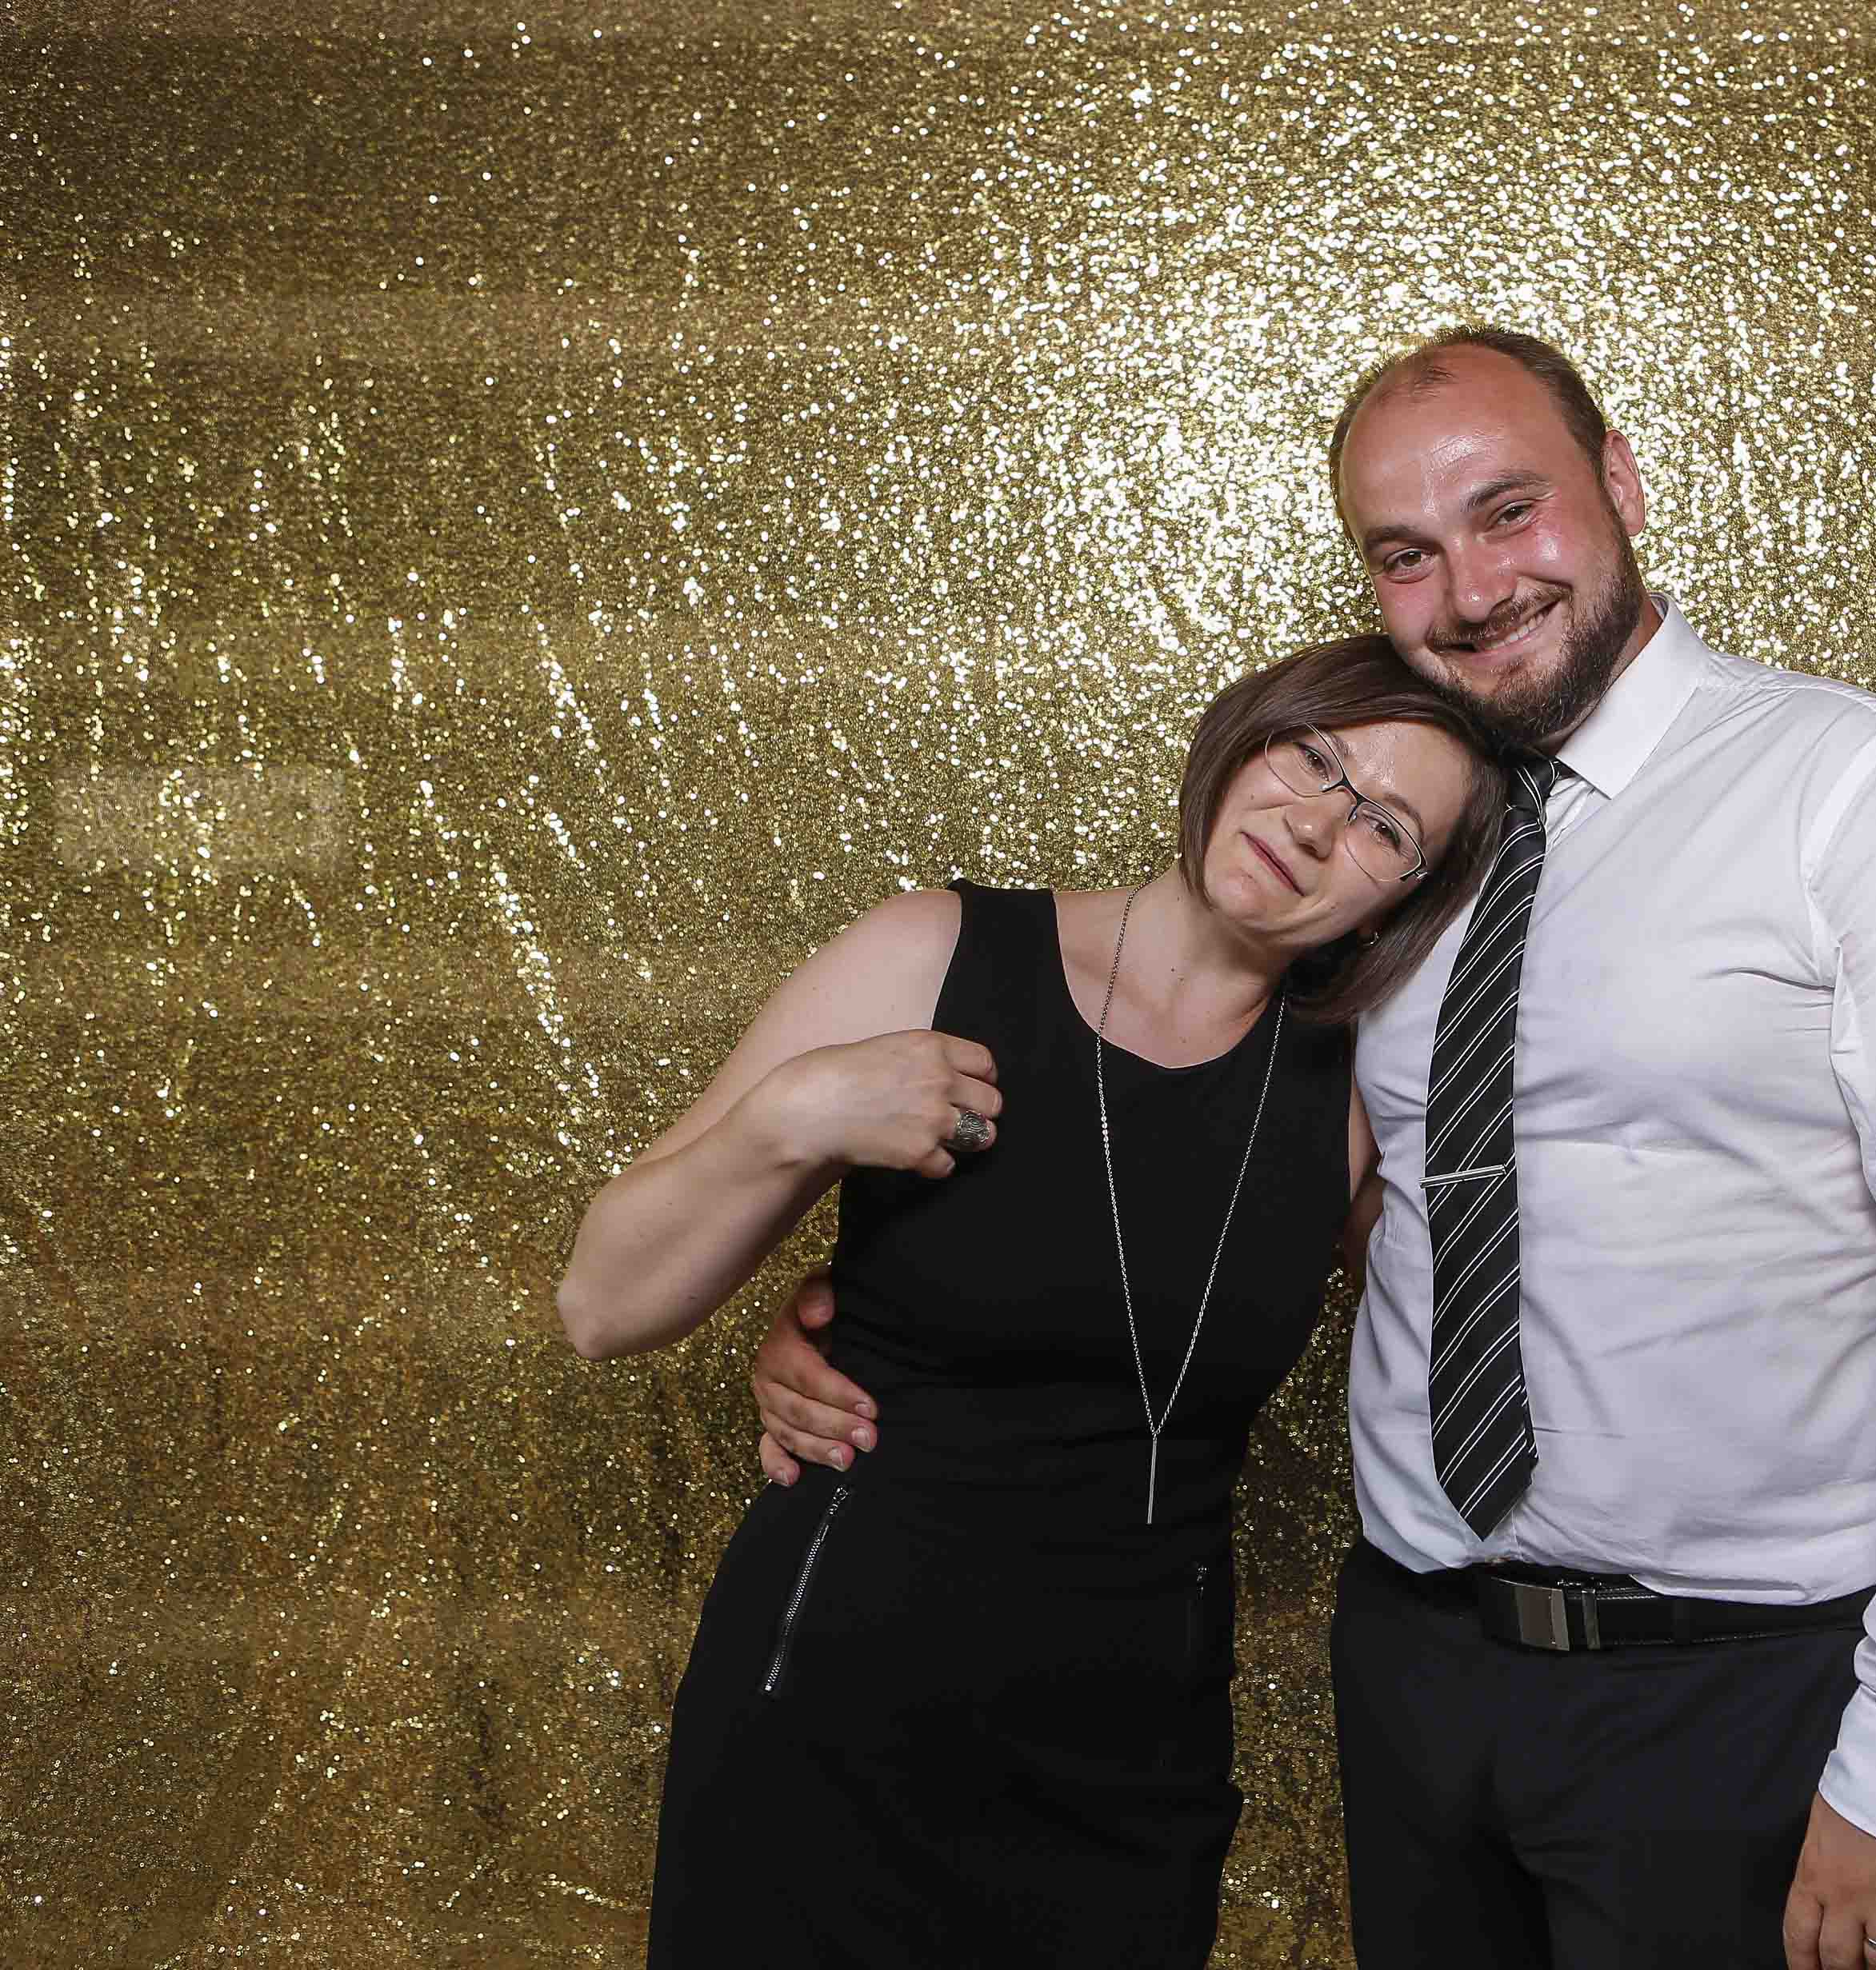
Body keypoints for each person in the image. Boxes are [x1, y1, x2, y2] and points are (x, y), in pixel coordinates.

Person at [754, 329, 1876, 1970]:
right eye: (1405, 554)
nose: (1470, 590)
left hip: (1738, 1689)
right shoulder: (1388, 845)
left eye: (1509, 511)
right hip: (1416, 1667)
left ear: (1620, 483)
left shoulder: (1852, 790)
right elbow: (1248, 1173)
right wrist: (891, 1323)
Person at [554, 635, 1503, 1967]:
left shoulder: (1361, 1088)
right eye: (1313, 755)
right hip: (827, 1726)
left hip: (1129, 1773)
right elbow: (602, 1305)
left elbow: (1497, 1332)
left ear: (1403, 902)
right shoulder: (933, 951)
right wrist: (794, 1118)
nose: (1315, 822)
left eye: (1384, 828)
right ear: (1245, 734)